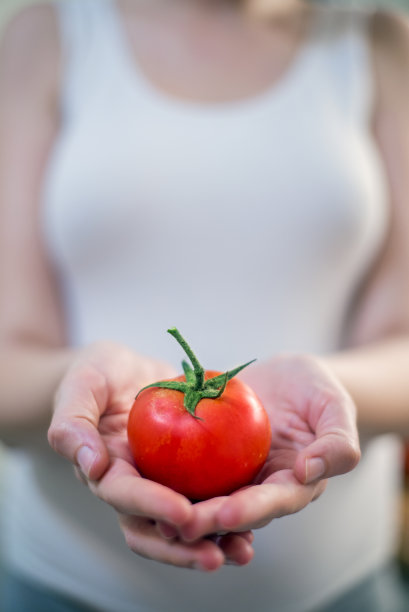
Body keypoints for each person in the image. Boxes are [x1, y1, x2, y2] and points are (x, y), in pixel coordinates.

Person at [0, 0, 408, 610]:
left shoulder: (377, 42)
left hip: (340, 588)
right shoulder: (48, 34)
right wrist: (74, 384)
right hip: (66, 585)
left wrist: (331, 394)